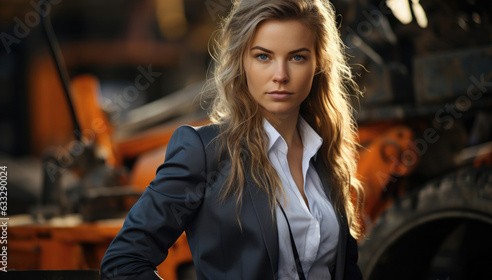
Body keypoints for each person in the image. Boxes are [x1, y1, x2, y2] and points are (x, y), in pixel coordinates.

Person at [100, 0, 364, 279]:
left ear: (318, 64)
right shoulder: (204, 152)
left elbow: (346, 269)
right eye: (263, 56)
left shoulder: (328, 152)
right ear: (241, 61)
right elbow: (123, 262)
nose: (280, 76)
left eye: (297, 57)